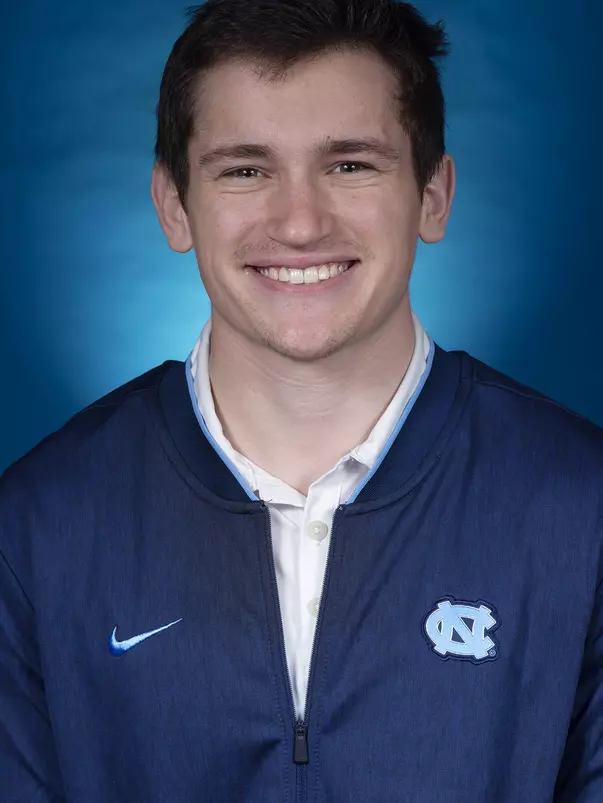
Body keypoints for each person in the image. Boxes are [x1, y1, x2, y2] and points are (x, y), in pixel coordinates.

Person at [1, 0, 603, 800]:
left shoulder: (581, 507)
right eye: (245, 170)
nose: (298, 223)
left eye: (349, 165)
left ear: (432, 193)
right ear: (174, 205)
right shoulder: (38, 523)